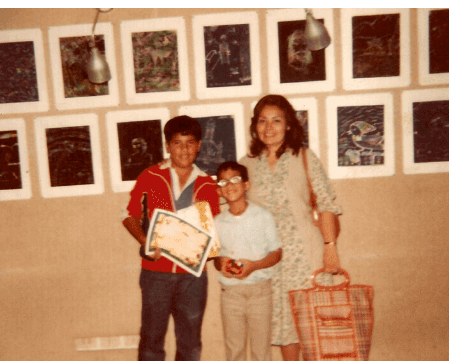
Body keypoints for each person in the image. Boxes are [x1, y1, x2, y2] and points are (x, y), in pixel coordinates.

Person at [242, 95, 343, 361]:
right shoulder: (247, 164)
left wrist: (330, 248)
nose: (269, 127)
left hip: (305, 255)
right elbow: (226, 198)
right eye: (262, 121)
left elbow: (326, 203)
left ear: (288, 125)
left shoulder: (304, 156)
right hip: (269, 260)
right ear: (255, 126)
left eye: (276, 120)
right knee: (286, 328)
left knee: (311, 328)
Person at [122, 116, 221, 361]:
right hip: (156, 273)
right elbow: (130, 216)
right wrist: (145, 241)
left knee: (190, 343)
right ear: (168, 146)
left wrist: (209, 248)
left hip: (193, 277)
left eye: (190, 143)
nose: (184, 149)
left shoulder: (208, 184)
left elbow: (213, 231)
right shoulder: (150, 175)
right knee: (151, 340)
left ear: (198, 145)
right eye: (177, 143)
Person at [213, 161, 282, 361]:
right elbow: (216, 258)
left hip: (260, 292)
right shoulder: (217, 222)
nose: (230, 185)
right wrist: (221, 263)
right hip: (231, 294)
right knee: (235, 351)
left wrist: (254, 266)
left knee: (261, 352)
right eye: (223, 182)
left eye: (235, 179)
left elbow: (277, 253)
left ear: (246, 185)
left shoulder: (263, 216)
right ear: (219, 191)